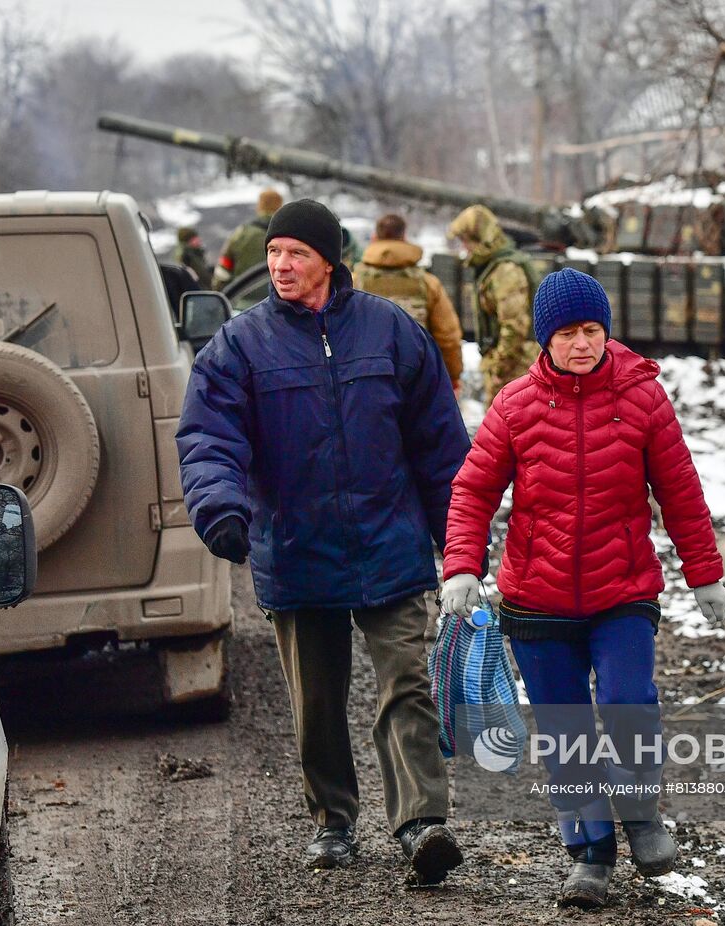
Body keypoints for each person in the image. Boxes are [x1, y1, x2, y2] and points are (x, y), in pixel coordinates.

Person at [177, 199, 469, 884]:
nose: (279, 264)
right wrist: (220, 505)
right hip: (298, 546)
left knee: (406, 683)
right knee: (316, 698)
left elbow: (439, 444)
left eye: (296, 254)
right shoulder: (241, 344)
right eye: (274, 252)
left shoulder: (389, 330)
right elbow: (208, 434)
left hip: (389, 539)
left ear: (329, 262)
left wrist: (459, 546)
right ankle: (334, 821)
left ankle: (421, 821)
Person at [437, 268, 725, 909]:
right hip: (535, 599)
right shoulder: (515, 405)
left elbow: (681, 492)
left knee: (630, 703)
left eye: (592, 330)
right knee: (565, 727)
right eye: (568, 332)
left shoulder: (644, 400)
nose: (582, 344)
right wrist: (463, 564)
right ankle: (590, 855)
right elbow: (473, 490)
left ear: (606, 332)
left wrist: (704, 573)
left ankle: (641, 815)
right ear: (546, 338)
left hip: (621, 590)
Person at [353, 213, 464, 396]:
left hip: (366, 379)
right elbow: (447, 336)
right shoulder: (428, 283)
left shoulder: (354, 281)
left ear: (375, 238)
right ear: (404, 237)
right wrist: (452, 375)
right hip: (417, 377)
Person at [447, 204, 540, 407]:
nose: (465, 248)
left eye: (466, 241)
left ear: (479, 239)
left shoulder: (505, 270)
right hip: (510, 367)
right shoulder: (493, 267)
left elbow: (514, 325)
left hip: (516, 369)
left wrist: (499, 367)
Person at [212, 188, 283, 289]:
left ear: (259, 206)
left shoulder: (241, 234)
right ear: (280, 206)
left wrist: (220, 296)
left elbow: (223, 272)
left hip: (244, 299)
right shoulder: (289, 233)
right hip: (280, 298)